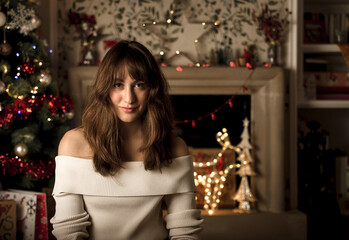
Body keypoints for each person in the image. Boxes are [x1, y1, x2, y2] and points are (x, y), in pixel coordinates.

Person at [50, 40, 203, 240]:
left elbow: (185, 232)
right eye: (118, 85)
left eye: (139, 85)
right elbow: (68, 233)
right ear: (105, 88)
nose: (129, 98)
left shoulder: (175, 147)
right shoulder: (74, 144)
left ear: (152, 90)